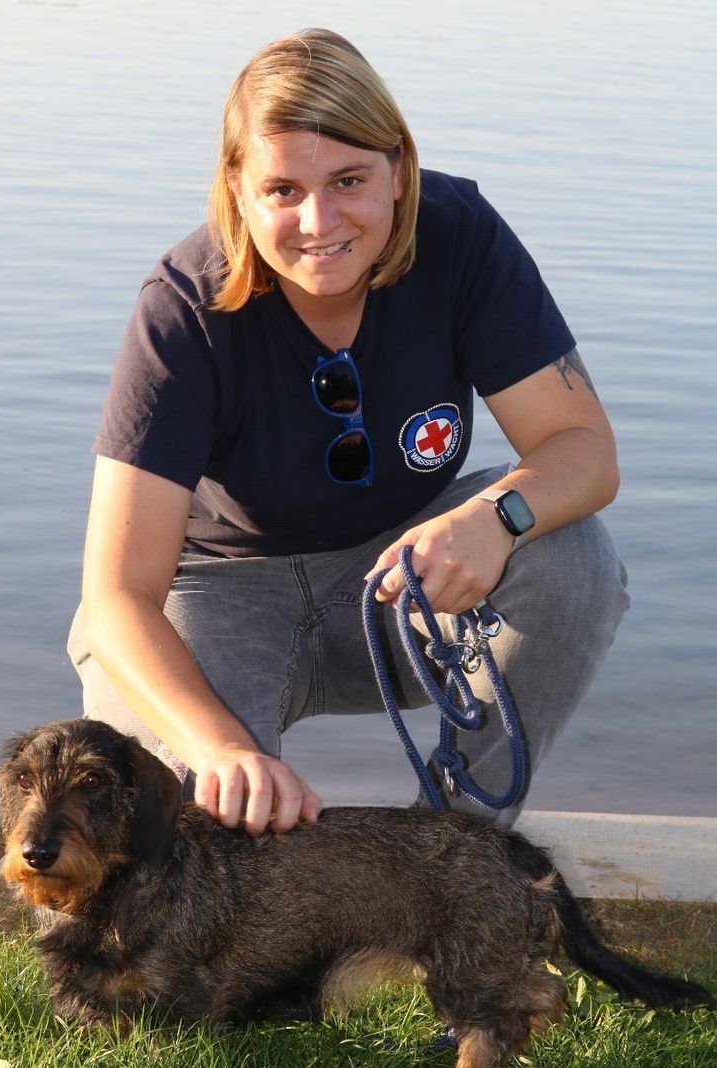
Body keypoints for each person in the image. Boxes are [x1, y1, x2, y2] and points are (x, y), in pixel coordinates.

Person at [67, 27, 629, 837]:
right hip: (219, 592)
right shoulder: (182, 309)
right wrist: (222, 749)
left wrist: (493, 517)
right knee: (198, 816)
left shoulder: (458, 237)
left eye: (349, 180)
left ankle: (457, 852)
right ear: (236, 188)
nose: (317, 220)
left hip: (404, 580)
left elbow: (583, 448)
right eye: (282, 188)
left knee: (573, 552)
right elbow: (117, 594)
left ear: (398, 168)